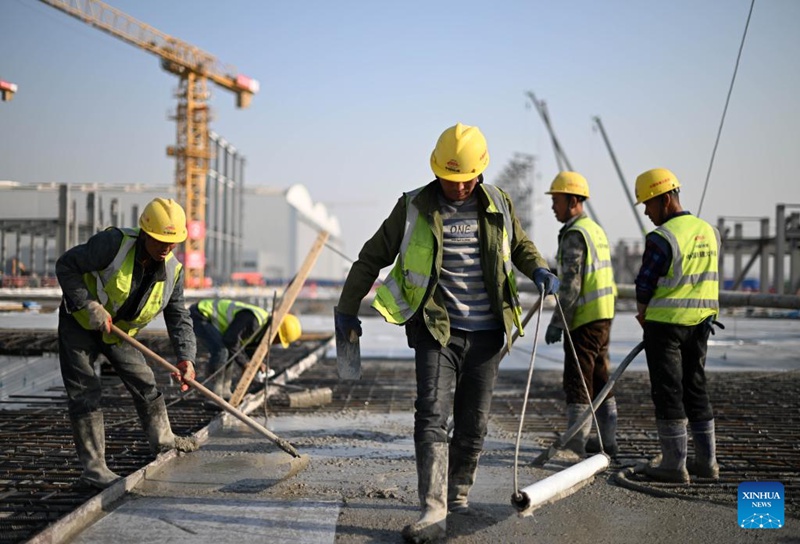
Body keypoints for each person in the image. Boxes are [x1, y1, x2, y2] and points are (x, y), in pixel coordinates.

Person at [335, 122, 559, 543]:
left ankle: (457, 493)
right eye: (451, 179)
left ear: (480, 172)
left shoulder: (498, 203)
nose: (458, 187)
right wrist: (347, 310)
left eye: (466, 179)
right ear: (437, 170)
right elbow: (370, 258)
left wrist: (540, 269)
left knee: (474, 424)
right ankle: (433, 508)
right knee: (432, 416)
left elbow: (521, 246)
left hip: (489, 333)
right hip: (436, 329)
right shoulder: (414, 207)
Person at [56, 197, 199, 490]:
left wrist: (187, 357)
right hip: (80, 324)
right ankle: (95, 470)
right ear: (145, 232)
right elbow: (66, 266)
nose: (166, 247)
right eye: (160, 240)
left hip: (118, 332)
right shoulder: (112, 244)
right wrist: (88, 304)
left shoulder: (173, 270)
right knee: (85, 393)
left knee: (145, 382)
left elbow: (178, 315)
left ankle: (163, 441)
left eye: (172, 242)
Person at [633, 168, 721, 483]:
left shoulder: (662, 238)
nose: (645, 211)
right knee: (695, 388)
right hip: (701, 325)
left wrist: (642, 313)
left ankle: (674, 465)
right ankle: (707, 463)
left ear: (666, 199)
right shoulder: (710, 231)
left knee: (669, 392)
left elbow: (645, 284)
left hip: (665, 327)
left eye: (648, 204)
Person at [544, 172, 618, 457]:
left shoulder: (575, 234)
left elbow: (572, 286)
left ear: (573, 201)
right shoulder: (595, 229)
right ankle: (606, 441)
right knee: (600, 377)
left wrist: (557, 323)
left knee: (578, 378)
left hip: (585, 317)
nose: (553, 206)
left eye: (557, 200)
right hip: (604, 313)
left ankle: (575, 443)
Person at [189, 298, 302, 400]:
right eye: (278, 339)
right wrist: (245, 363)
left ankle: (225, 392)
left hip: (209, 320)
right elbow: (231, 340)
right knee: (221, 351)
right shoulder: (253, 321)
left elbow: (245, 348)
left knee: (228, 352)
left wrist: (257, 363)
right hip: (200, 314)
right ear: (275, 330)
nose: (275, 343)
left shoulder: (261, 329)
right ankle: (212, 394)